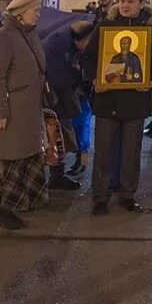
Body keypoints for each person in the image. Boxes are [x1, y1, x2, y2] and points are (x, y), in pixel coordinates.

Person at [86, 0, 152, 215]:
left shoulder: (150, 31)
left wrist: (149, 79)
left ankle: (127, 194)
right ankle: (100, 197)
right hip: (107, 100)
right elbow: (89, 58)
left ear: (141, 4)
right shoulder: (105, 28)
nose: (125, 6)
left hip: (135, 101)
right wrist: (94, 79)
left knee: (131, 151)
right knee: (103, 151)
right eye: (121, 2)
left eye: (130, 2)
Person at [0, 0, 48, 230]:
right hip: (13, 109)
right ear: (21, 14)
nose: (38, 15)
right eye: (36, 11)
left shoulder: (28, 35)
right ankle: (4, 209)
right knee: (11, 157)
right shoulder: (5, 36)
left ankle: (27, 198)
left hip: (29, 108)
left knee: (29, 154)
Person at [41, 19, 95, 192]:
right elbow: (58, 77)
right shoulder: (58, 45)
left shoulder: (65, 40)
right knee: (55, 135)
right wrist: (77, 77)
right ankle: (55, 176)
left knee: (58, 135)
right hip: (54, 97)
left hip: (59, 96)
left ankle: (57, 175)